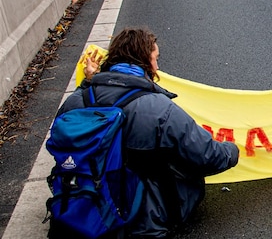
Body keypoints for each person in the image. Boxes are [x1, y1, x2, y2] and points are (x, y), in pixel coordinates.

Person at [58, 28, 238, 237]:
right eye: (155, 58)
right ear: (143, 61)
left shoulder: (78, 100)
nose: (157, 67)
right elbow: (208, 156)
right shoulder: (159, 109)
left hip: (83, 213)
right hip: (143, 222)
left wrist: (88, 83)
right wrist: (232, 150)